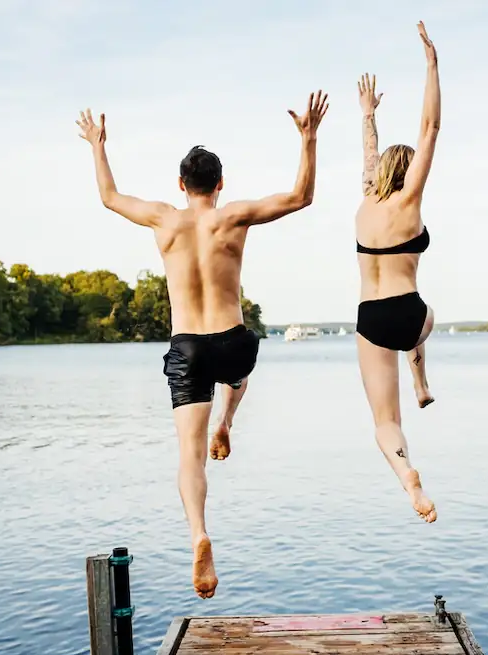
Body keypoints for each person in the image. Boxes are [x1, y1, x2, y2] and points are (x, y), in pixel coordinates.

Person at [76, 90, 329, 598]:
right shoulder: (232, 216)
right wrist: (309, 138)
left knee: (189, 456)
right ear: (219, 185)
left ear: (180, 185)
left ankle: (198, 533)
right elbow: (301, 197)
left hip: (186, 346)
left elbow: (109, 196)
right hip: (231, 341)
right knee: (243, 361)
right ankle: (228, 419)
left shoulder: (163, 218)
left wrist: (97, 146)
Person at [353, 22, 440, 524]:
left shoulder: (367, 202)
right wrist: (431, 67)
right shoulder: (410, 201)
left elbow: (370, 155)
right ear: (407, 174)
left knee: (385, 422)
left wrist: (367, 115)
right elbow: (429, 130)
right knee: (427, 320)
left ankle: (409, 477)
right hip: (411, 314)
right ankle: (422, 379)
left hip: (370, 319)